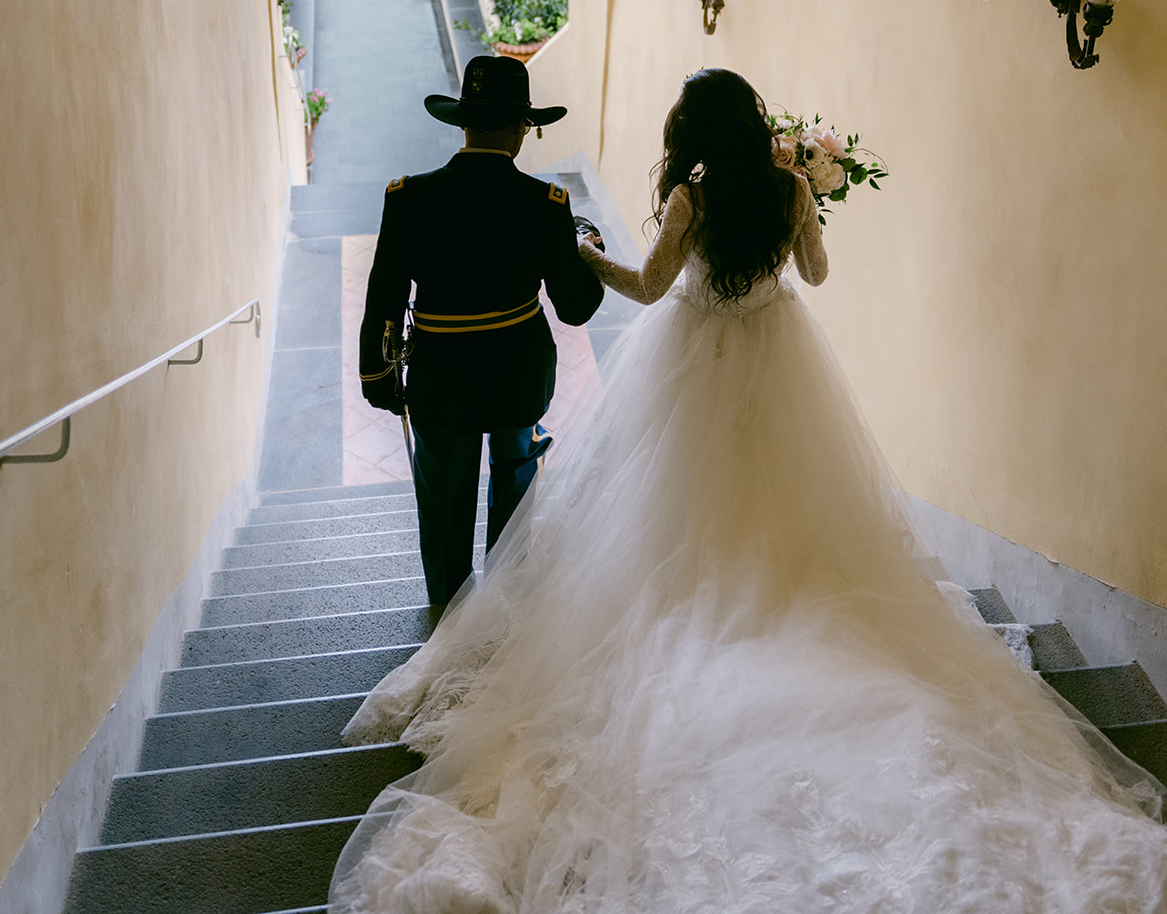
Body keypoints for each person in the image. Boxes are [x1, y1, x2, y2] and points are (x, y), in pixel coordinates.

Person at [334, 69, 1167, 911]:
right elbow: (817, 273)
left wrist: (586, 253)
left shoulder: (687, 200)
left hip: (692, 363)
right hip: (778, 354)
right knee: (787, 499)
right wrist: (802, 209)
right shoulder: (792, 188)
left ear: (692, 131)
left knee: (669, 506)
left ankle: (499, 604)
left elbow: (649, 287)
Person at [358, 54, 604, 609]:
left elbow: (384, 297)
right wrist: (588, 250)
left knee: (443, 494)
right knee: (515, 476)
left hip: (440, 376)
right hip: (517, 373)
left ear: (463, 124)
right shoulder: (546, 204)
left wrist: (377, 377)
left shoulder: (408, 197)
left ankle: (449, 609)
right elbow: (575, 308)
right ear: (521, 129)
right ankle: (503, 600)